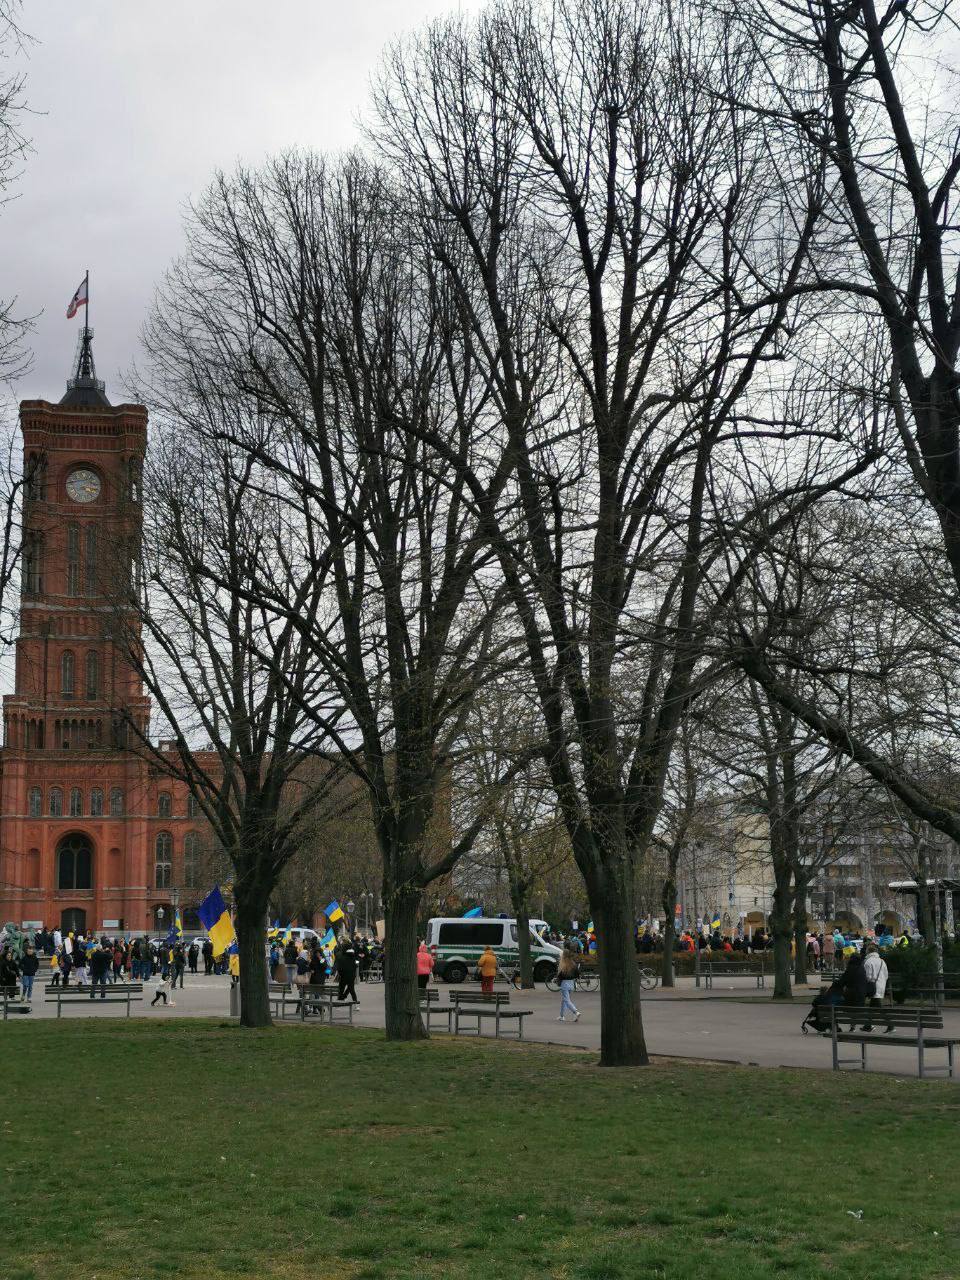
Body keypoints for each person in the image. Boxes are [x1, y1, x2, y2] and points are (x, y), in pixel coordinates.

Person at [861, 943, 892, 1032]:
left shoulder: (868, 961)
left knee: (879, 1007)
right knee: (872, 1007)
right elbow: (886, 975)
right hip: (881, 986)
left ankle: (890, 1025)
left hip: (872, 987)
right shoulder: (882, 961)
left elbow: (867, 976)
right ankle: (868, 1025)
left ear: (868, 951)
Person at [555, 945, 580, 1023]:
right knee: (564, 1000)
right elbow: (577, 973)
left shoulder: (563, 964)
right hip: (571, 982)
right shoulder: (573, 963)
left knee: (566, 1000)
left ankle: (575, 1011)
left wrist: (557, 980)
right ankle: (562, 1016)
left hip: (564, 983)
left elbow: (560, 975)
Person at [335, 938, 359, 1003]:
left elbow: (339, 967)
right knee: (351, 989)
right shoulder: (353, 956)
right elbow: (356, 965)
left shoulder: (341, 956)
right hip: (351, 975)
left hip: (343, 976)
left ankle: (340, 999)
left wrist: (340, 973)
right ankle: (355, 1002)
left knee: (341, 988)